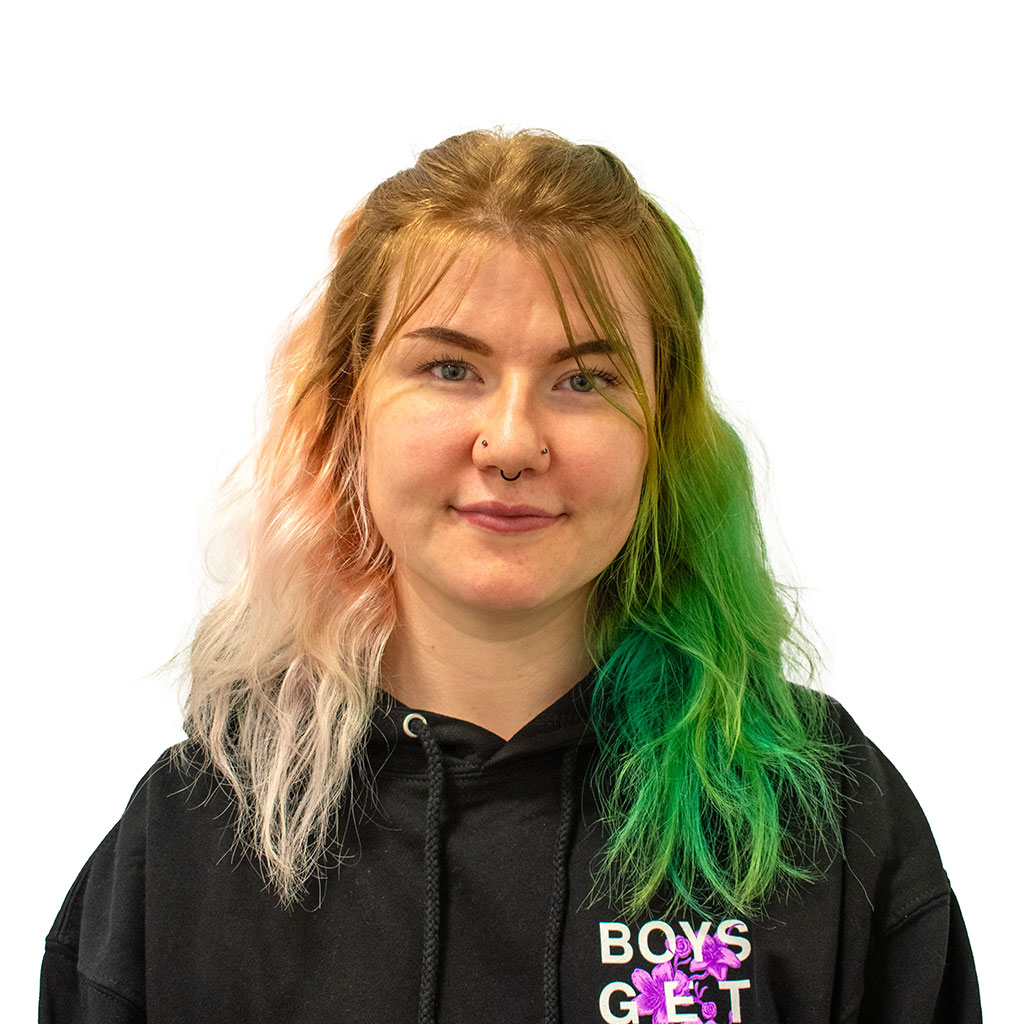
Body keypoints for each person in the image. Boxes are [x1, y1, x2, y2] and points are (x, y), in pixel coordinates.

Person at [39, 129, 981, 1024]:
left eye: (584, 380)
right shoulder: (191, 839)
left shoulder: (823, 817)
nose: (513, 442)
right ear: (347, 410)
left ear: (663, 435)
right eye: (451, 368)